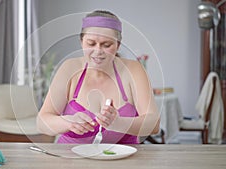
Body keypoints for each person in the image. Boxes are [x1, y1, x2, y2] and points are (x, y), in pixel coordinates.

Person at [37, 10, 160, 144]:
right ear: (81, 41)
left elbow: (154, 125)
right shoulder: (69, 68)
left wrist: (119, 123)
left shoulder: (133, 70)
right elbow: (42, 122)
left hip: (124, 161)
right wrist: (67, 122)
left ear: (118, 45)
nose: (98, 51)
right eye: (91, 43)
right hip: (70, 160)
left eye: (107, 45)